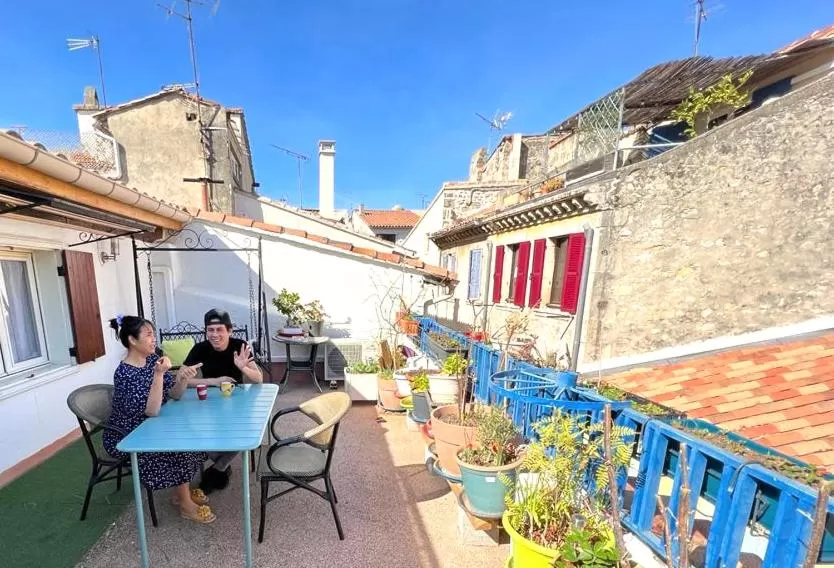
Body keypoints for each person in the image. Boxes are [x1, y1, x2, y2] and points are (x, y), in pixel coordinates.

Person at [103, 315, 217, 524]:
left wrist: (183, 378)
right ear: (132, 340)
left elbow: (173, 394)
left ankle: (179, 493)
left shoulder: (150, 363)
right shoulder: (125, 373)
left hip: (151, 426)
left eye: (154, 334)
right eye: (148, 335)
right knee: (177, 446)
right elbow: (152, 411)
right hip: (129, 435)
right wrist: (158, 375)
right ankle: (185, 504)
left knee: (191, 439)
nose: (154, 339)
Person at [182, 308, 264, 493]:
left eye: (219, 330)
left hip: (238, 403)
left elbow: (258, 379)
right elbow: (183, 380)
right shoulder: (200, 348)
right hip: (208, 403)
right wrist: (213, 381)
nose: (215, 334)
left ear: (229, 331)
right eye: (210, 330)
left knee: (243, 436)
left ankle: (218, 469)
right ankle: (222, 466)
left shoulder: (240, 346)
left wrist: (243, 368)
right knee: (197, 434)